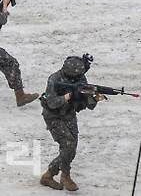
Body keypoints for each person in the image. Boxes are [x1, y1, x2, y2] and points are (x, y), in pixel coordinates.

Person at [39, 54, 106, 191]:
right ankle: (65, 176)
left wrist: (95, 98)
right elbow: (52, 103)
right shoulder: (54, 79)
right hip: (53, 116)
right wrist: (68, 96)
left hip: (69, 114)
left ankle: (48, 175)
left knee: (71, 149)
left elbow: (89, 104)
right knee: (68, 144)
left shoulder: (80, 79)